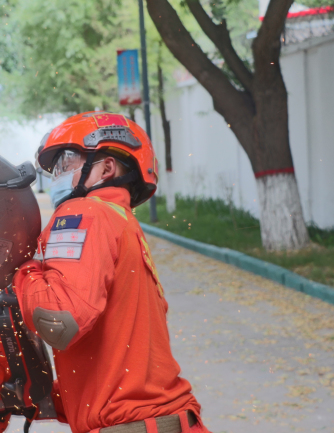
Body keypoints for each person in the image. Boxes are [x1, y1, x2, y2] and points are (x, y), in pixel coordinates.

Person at [12, 112, 210, 433]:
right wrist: (36, 393)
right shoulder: (122, 223)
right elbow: (118, 364)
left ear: (106, 168)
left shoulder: (84, 212)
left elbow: (60, 319)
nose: (58, 175)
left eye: (67, 163)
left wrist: (23, 269)